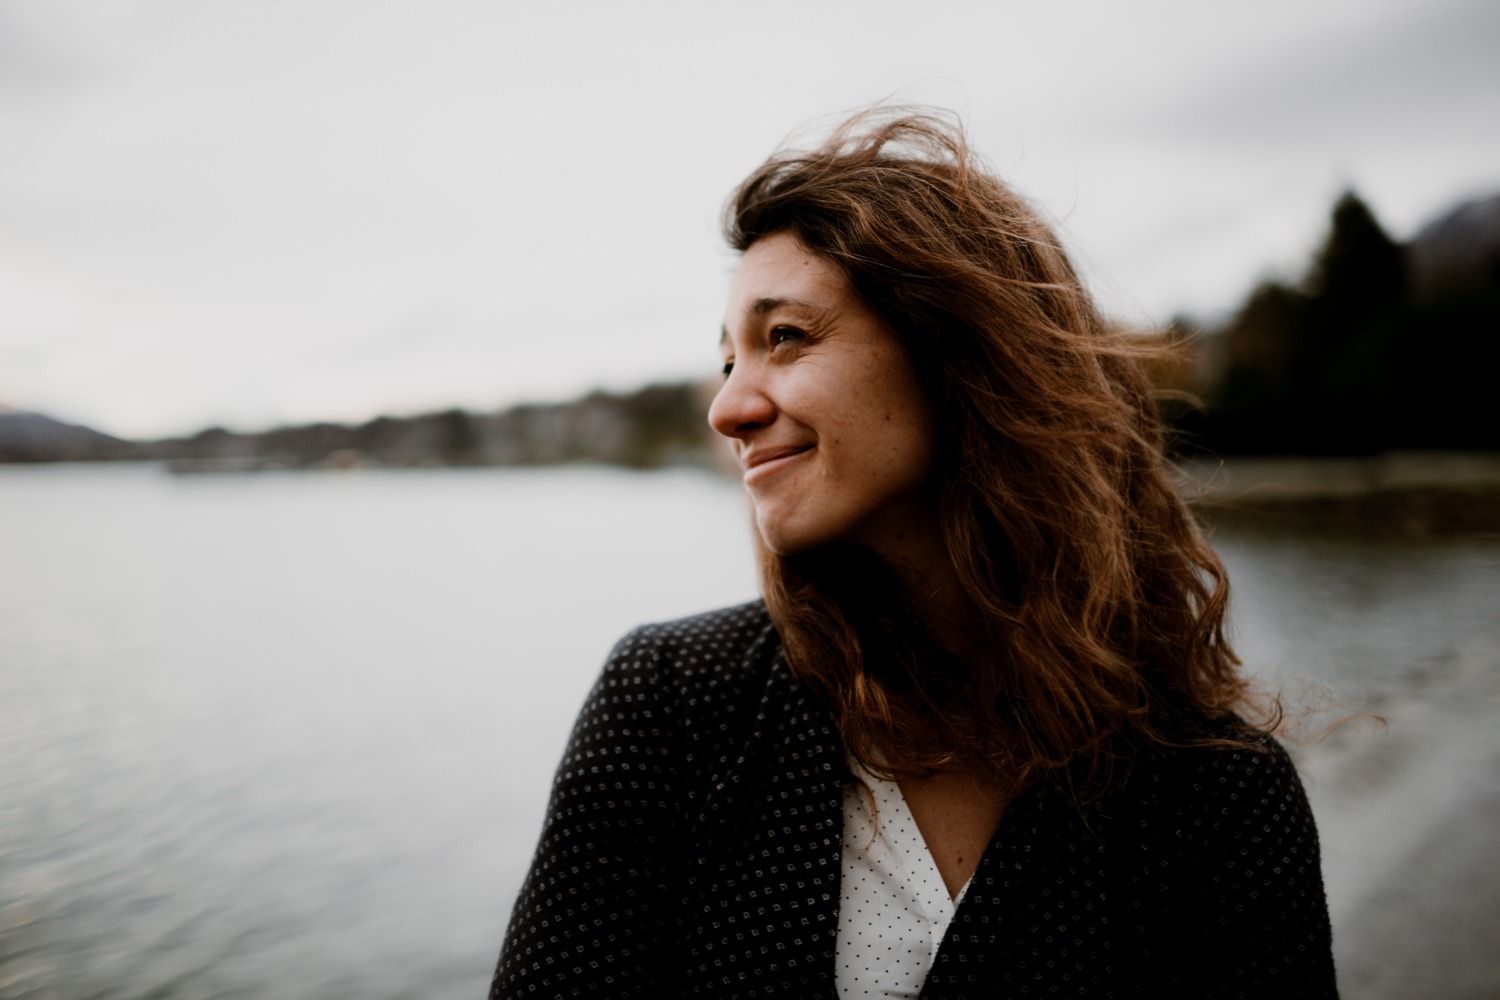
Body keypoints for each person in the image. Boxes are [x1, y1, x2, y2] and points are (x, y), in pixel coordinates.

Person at [489, 108, 1338, 998]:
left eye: (784, 337)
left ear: (957, 352)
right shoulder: (675, 708)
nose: (729, 408)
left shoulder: (1214, 798)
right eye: (730, 360)